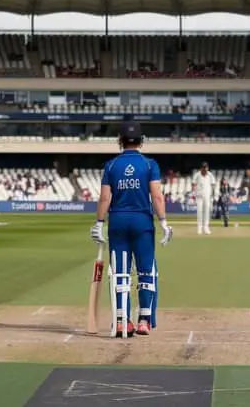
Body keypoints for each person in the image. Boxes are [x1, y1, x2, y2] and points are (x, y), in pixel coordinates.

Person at [90, 121, 173, 337]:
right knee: (146, 270)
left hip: (117, 222)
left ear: (120, 141)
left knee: (120, 273)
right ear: (141, 141)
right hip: (142, 222)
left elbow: (105, 198)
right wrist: (163, 221)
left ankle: (121, 322)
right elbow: (156, 195)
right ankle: (144, 320)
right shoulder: (149, 165)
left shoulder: (110, 165)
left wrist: (99, 223)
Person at [194, 162, 216, 234]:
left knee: (207, 211)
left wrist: (212, 194)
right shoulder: (197, 175)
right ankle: (199, 227)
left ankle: (206, 227)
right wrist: (195, 192)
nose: (204, 169)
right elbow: (193, 183)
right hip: (199, 196)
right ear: (201, 168)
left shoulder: (210, 175)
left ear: (207, 168)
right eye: (203, 167)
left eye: (206, 167)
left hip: (207, 196)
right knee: (199, 211)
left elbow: (213, 184)